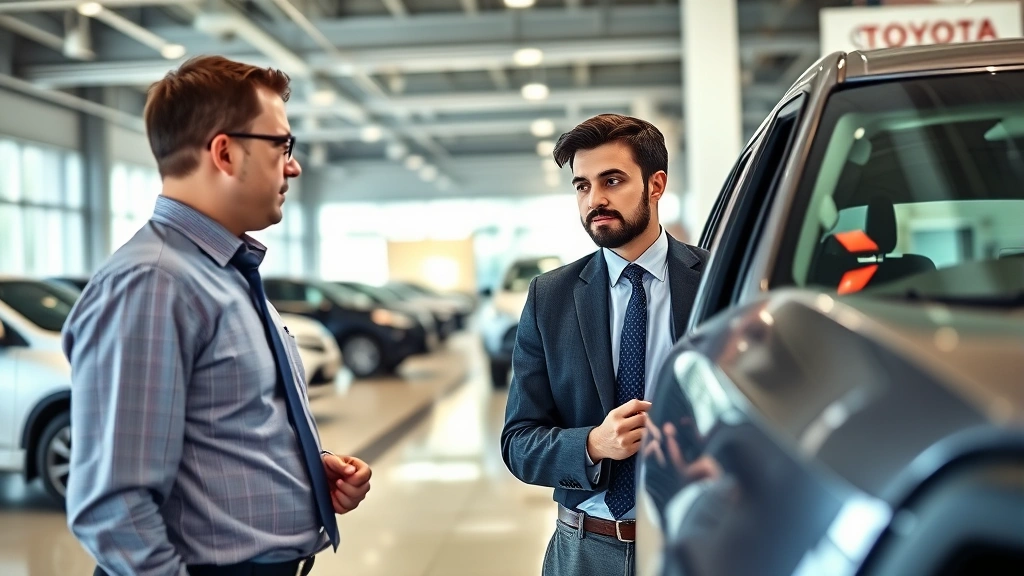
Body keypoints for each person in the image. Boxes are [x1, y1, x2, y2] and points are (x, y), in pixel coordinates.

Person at [62, 55, 371, 576]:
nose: (293, 166)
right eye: (283, 146)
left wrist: (302, 473)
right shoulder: (152, 282)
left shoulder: (222, 272)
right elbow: (113, 506)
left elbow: (221, 428)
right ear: (225, 153)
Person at [500, 113, 709, 576]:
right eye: (581, 186)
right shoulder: (549, 298)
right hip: (585, 549)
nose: (595, 199)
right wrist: (593, 444)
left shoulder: (720, 281)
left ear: (656, 185)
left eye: (611, 180)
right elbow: (518, 443)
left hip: (696, 545)